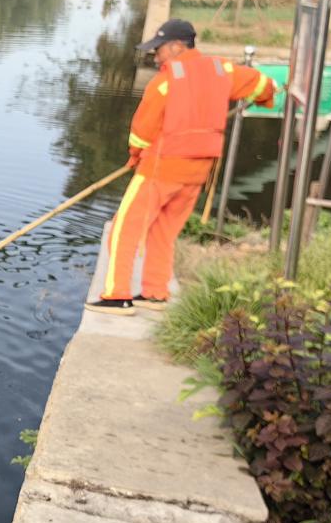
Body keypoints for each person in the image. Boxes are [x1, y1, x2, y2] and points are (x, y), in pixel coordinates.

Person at [86, 19, 276, 316]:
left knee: (124, 230)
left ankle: (117, 295)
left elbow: (142, 131)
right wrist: (266, 95)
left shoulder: (165, 82)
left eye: (159, 49)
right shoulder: (222, 69)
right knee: (163, 232)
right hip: (198, 172)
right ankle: (155, 293)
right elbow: (264, 85)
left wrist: (135, 155)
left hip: (161, 169)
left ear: (176, 46)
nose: (155, 56)